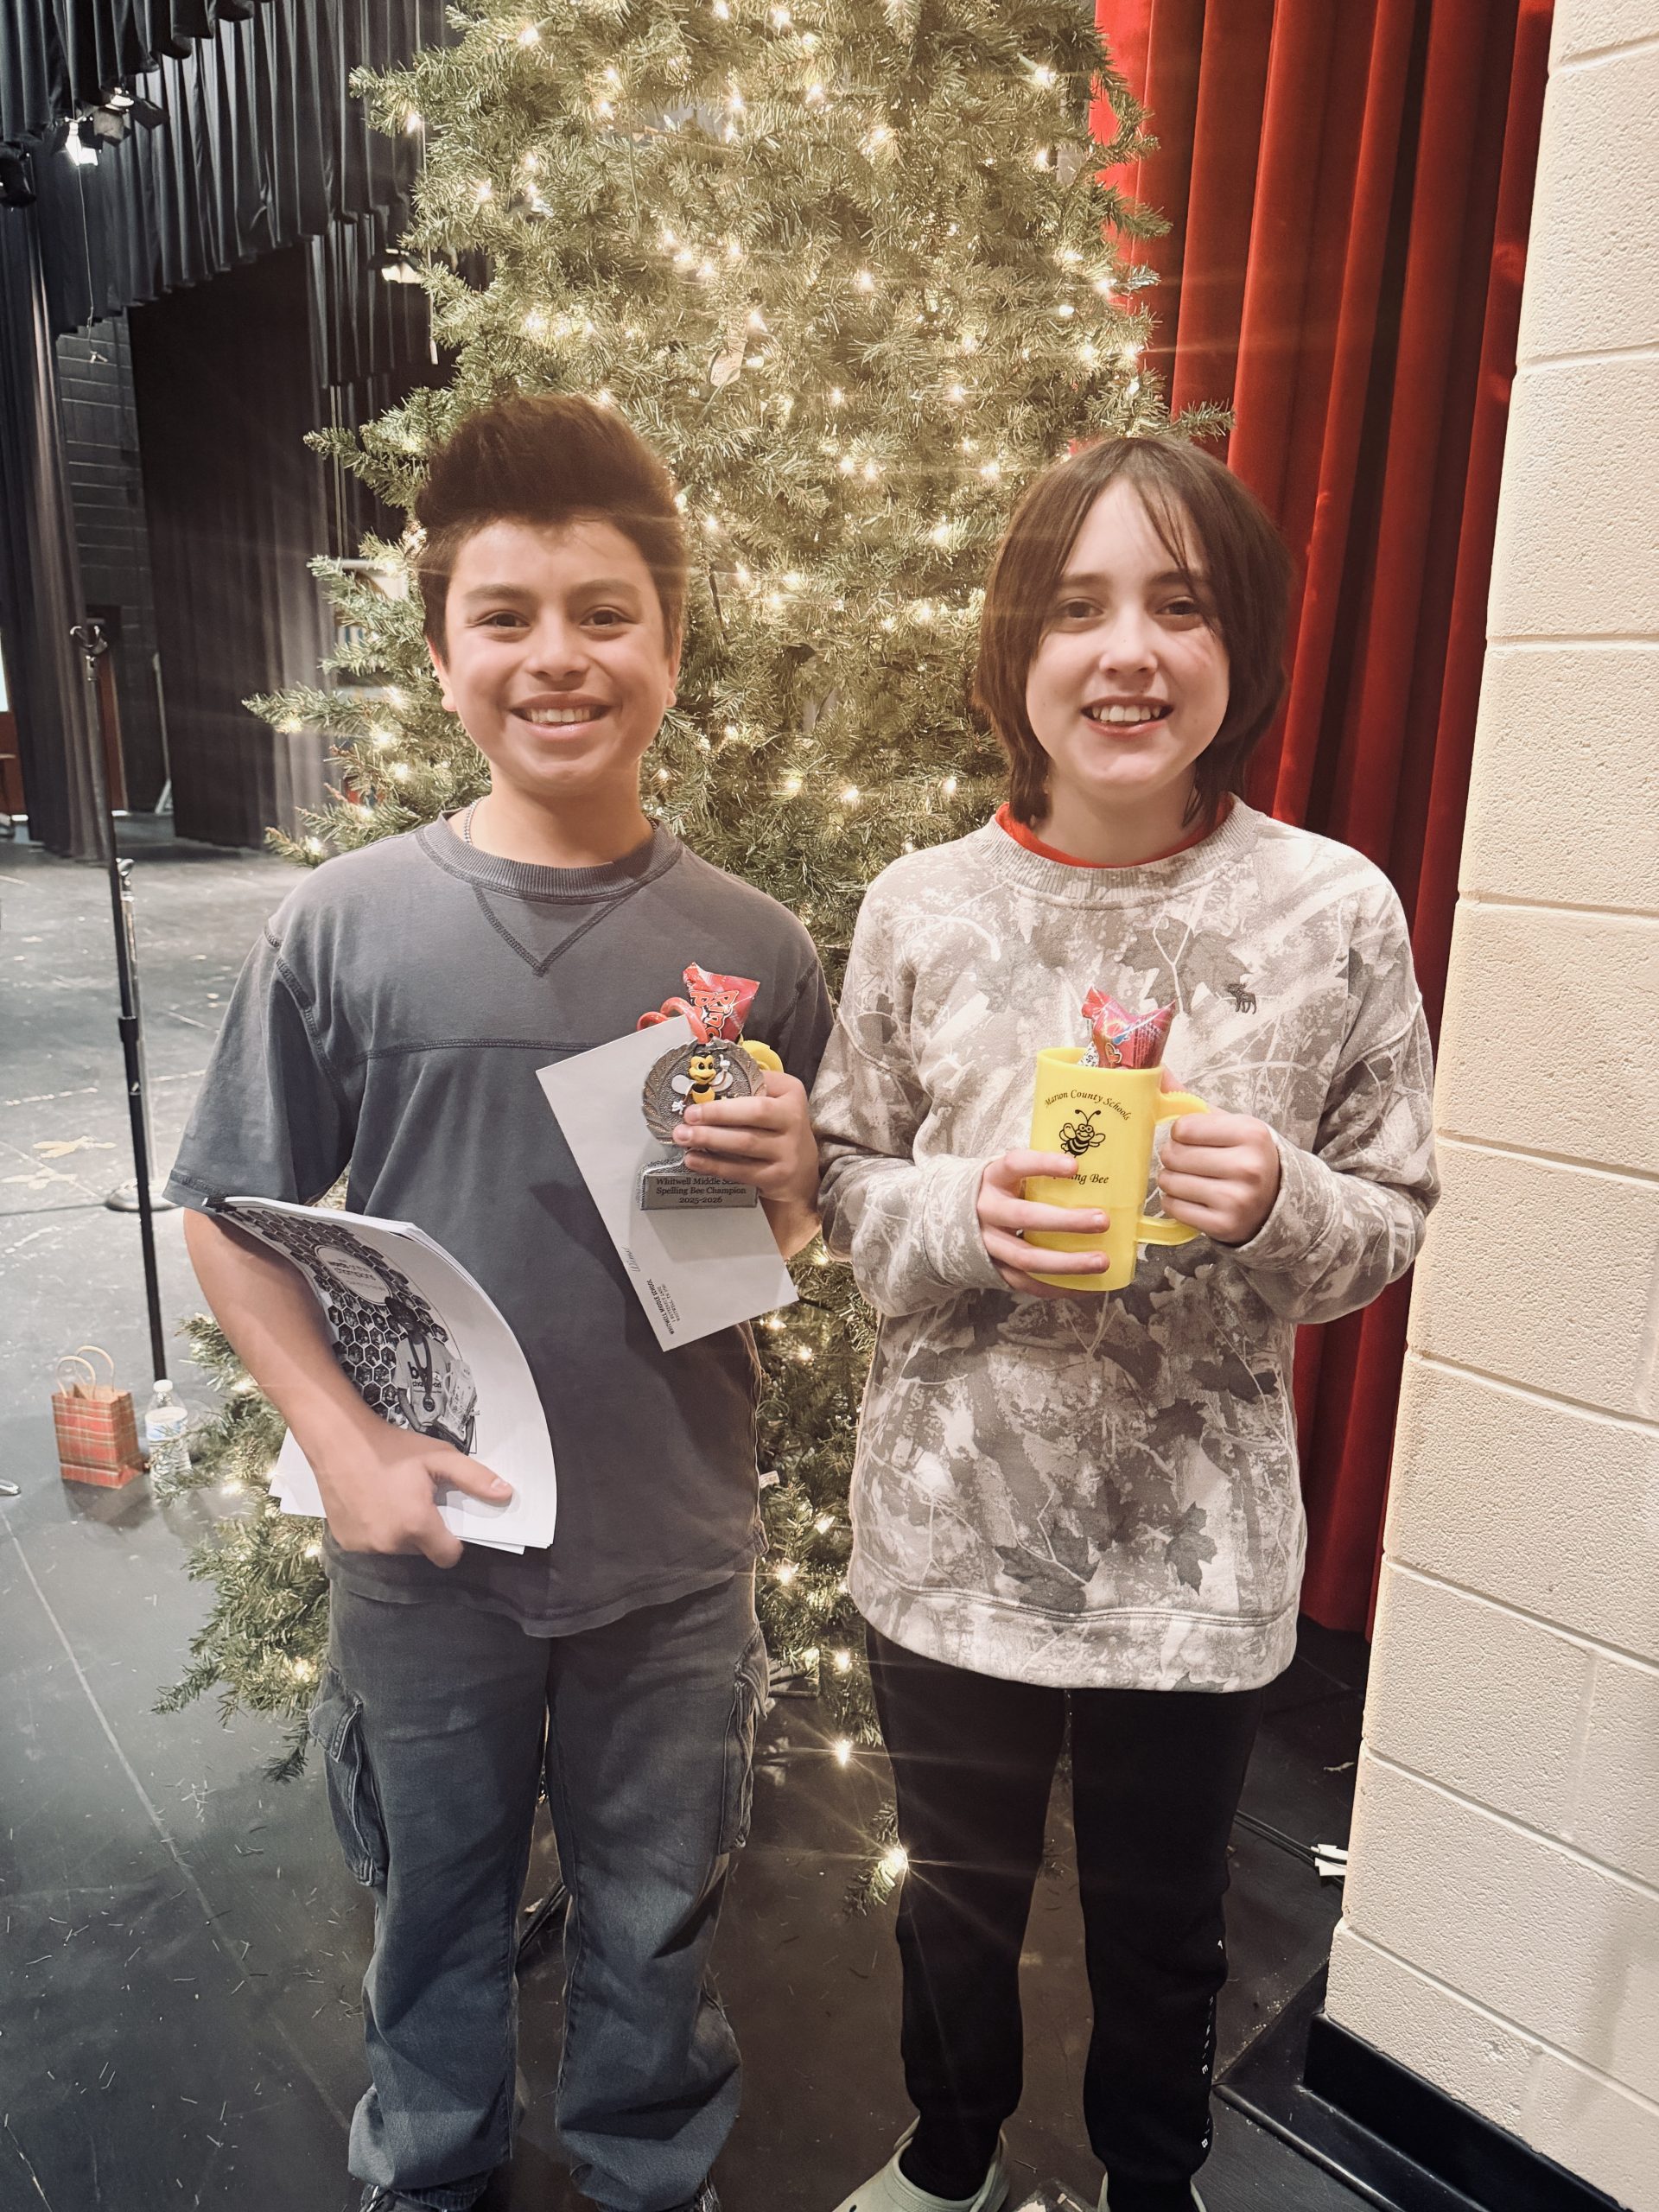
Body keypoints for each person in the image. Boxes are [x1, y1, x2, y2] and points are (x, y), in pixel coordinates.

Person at [166, 393, 831, 2212]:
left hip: (674, 1545)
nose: (559, 658)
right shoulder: (345, 925)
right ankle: (431, 2159)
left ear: (671, 644)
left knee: (657, 1898)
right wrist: (342, 1444)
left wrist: (795, 1181)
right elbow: (227, 1217)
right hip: (430, 1544)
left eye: (607, 614)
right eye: (507, 616)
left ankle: (644, 2163)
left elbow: (787, 1240)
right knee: (432, 1891)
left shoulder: (757, 946)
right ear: (443, 650)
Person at [812, 435, 1439, 2212]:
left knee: (1169, 1930)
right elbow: (844, 1184)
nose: (1128, 653)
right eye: (1077, 607)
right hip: (947, 1529)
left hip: (1196, 1555)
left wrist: (1284, 1200)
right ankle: (947, 2160)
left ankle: (1151, 2183)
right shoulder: (920, 905)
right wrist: (961, 1212)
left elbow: (1391, 1214)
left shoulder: (1333, 911)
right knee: (952, 1904)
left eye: (1180, 605)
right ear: (1017, 645)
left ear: (1242, 646)